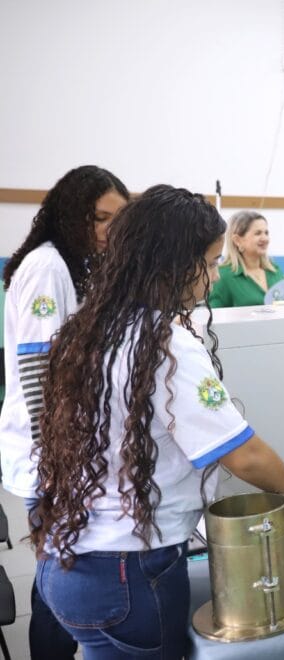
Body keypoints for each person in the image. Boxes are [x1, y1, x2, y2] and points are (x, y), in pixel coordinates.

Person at [30, 185, 284, 658]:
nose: (214, 277)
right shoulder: (164, 341)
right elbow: (243, 453)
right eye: (211, 262)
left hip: (65, 563)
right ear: (172, 263)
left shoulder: (90, 327)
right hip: (128, 575)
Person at [0, 165, 129, 660]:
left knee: (60, 575)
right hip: (47, 455)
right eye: (100, 219)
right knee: (57, 581)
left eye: (117, 221)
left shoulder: (78, 266)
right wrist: (58, 465)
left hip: (65, 452)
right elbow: (38, 373)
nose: (108, 231)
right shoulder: (49, 266)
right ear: (72, 216)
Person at [208, 210, 284, 307]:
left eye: (266, 233)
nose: (265, 238)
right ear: (237, 240)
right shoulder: (223, 276)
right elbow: (214, 316)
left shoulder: (275, 271)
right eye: (258, 233)